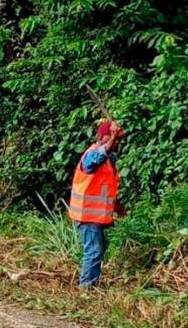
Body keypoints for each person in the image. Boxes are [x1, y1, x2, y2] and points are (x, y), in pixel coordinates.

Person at [69, 120, 125, 287]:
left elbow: (105, 189)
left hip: (97, 217)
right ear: (101, 137)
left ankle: (89, 284)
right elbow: (97, 158)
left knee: (97, 251)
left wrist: (118, 207)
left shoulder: (110, 159)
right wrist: (114, 137)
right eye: (111, 138)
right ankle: (86, 288)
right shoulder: (92, 154)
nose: (115, 143)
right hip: (87, 216)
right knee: (93, 252)